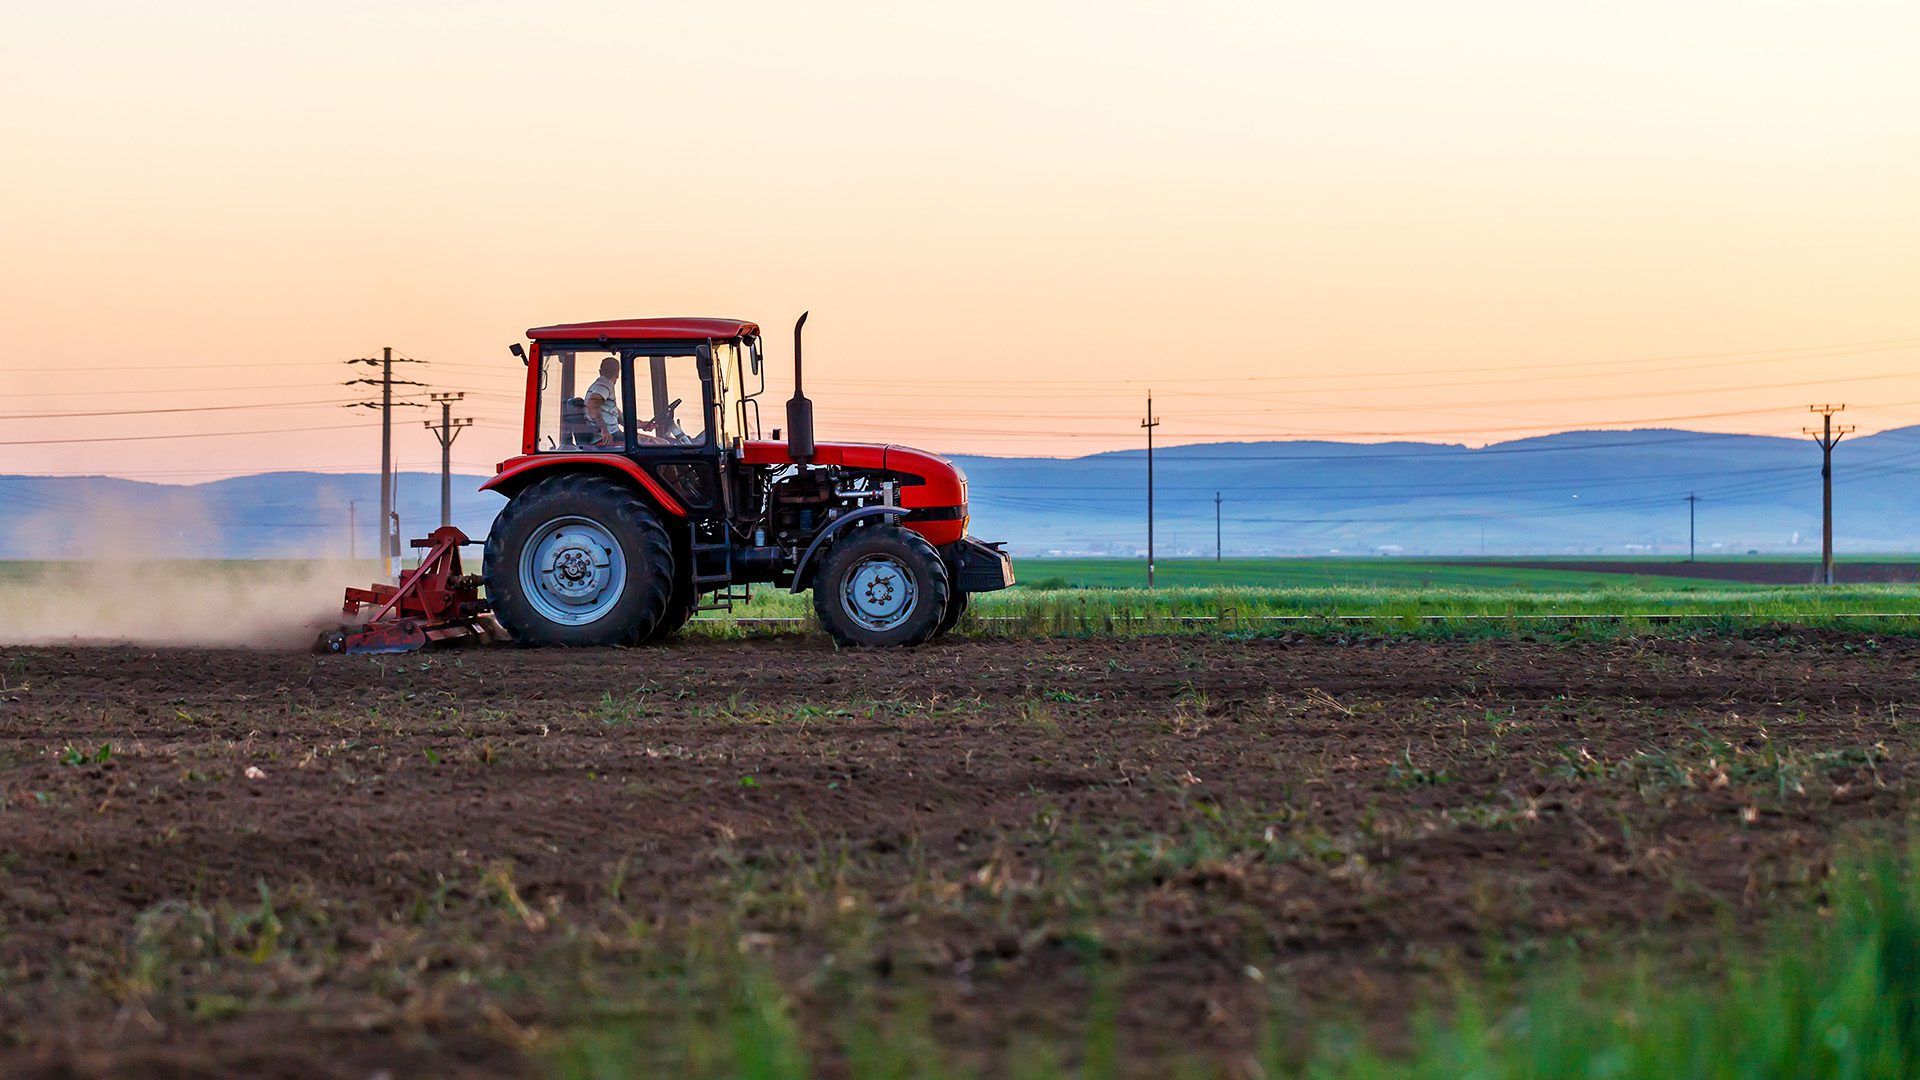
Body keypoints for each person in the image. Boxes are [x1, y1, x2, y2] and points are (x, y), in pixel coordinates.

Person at [584, 357, 620, 447]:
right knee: (653, 443)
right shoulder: (605, 384)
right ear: (618, 374)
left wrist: (643, 425)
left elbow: (621, 417)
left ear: (600, 371)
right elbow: (592, 406)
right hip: (608, 436)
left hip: (611, 434)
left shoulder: (597, 386)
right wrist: (604, 430)